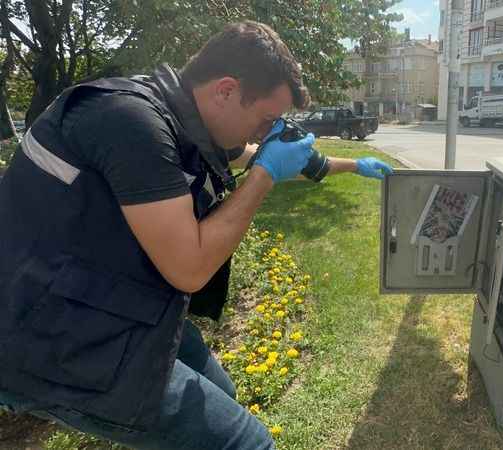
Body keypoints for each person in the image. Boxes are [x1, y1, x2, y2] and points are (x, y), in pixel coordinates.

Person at [0, 21, 392, 449]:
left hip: (106, 297)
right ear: (225, 90)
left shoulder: (177, 123)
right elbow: (190, 268)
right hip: (46, 329)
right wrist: (262, 176)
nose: (264, 135)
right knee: (247, 443)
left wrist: (353, 165)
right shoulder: (129, 122)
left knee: (223, 392)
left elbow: (274, 158)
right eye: (265, 121)